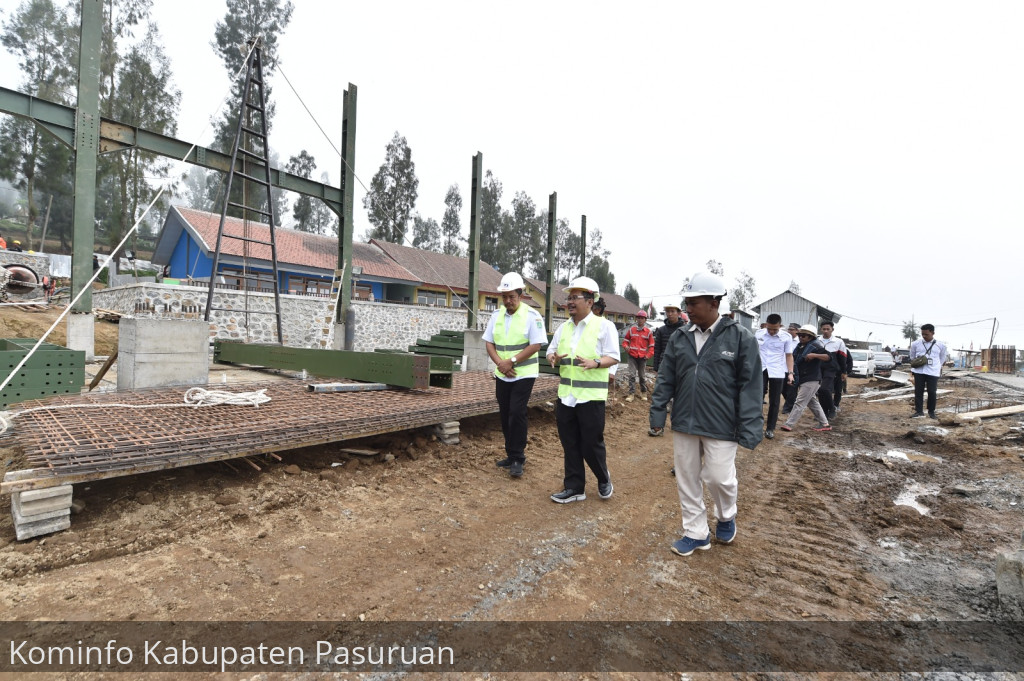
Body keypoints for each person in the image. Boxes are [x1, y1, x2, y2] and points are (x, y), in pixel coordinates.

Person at [649, 271, 763, 556]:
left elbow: (750, 386)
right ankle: (696, 532)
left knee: (718, 477)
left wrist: (750, 425)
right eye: (686, 302)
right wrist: (658, 412)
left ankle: (726, 514)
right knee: (687, 477)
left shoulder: (740, 338)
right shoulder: (680, 337)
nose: (687, 309)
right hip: (685, 419)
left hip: (721, 422)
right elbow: (666, 377)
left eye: (693, 303)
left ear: (714, 302)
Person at [546, 276, 620, 504]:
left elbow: (614, 356)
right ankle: (574, 487)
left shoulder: (605, 327)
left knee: (591, 443)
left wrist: (596, 363)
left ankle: (603, 477)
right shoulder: (563, 328)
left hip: (590, 397)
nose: (569, 302)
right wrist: (552, 357)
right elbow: (551, 351)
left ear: (590, 301)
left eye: (574, 297)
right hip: (566, 396)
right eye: (568, 297)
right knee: (570, 443)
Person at [483, 272, 547, 478]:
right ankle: (510, 454)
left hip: (524, 373)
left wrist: (511, 361)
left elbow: (536, 344)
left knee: (516, 412)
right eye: (505, 296)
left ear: (520, 294)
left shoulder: (532, 316)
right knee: (504, 412)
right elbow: (489, 343)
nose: (508, 301)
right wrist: (500, 364)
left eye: (512, 296)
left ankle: (518, 457)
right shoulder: (496, 315)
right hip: (502, 373)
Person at [780, 325, 831, 432]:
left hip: (812, 378)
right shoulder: (799, 347)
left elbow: (828, 357)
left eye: (804, 336)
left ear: (811, 337)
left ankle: (789, 424)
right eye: (800, 335)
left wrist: (814, 355)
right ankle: (825, 424)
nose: (801, 337)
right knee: (812, 402)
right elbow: (793, 361)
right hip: (802, 377)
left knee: (800, 401)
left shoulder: (816, 346)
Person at [756, 313, 794, 439]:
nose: (772, 331)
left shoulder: (786, 337)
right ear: (766, 324)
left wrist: (790, 373)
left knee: (774, 400)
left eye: (775, 329)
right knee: (757, 398)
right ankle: (757, 426)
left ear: (780, 326)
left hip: (777, 370)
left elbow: (789, 356)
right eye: (769, 328)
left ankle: (770, 428)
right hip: (760, 369)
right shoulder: (759, 334)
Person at [910, 324, 948, 419]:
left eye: (926, 334)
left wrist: (937, 366)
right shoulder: (915, 344)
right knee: (918, 391)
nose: (924, 336)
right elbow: (912, 356)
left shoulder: (941, 345)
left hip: (933, 372)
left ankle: (931, 412)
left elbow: (942, 357)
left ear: (932, 333)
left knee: (932, 392)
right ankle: (919, 411)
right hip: (919, 371)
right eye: (922, 334)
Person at [622, 310, 655, 401]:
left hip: (642, 358)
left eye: (642, 318)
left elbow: (652, 347)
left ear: (645, 320)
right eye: (639, 318)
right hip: (632, 356)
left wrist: (648, 356)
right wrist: (626, 346)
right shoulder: (632, 330)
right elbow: (625, 341)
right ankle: (631, 394)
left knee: (642, 376)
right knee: (632, 375)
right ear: (637, 319)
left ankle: (643, 392)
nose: (640, 320)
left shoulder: (648, 332)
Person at [818, 321, 848, 420]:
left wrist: (844, 372)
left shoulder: (838, 342)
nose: (826, 331)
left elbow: (843, 358)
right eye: (824, 329)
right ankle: (824, 412)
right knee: (820, 391)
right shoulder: (817, 341)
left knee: (825, 389)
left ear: (832, 329)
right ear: (821, 329)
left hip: (832, 370)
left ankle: (832, 408)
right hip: (818, 369)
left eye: (828, 329)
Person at [591, 298, 620, 398]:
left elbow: (612, 353)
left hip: (600, 373)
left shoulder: (607, 326)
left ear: (597, 310)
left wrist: (611, 372)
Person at [653, 302, 688, 373]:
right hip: (664, 365)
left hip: (680, 365)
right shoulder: (661, 330)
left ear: (678, 313)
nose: (670, 314)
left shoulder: (685, 330)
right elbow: (657, 349)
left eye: (672, 311)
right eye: (668, 311)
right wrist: (656, 366)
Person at [781, 323, 802, 414]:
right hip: (783, 367)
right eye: (789, 329)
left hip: (795, 368)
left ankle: (788, 408)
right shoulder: (785, 339)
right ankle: (791, 404)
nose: (789, 331)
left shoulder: (800, 342)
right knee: (782, 388)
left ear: (797, 331)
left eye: (792, 329)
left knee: (792, 388)